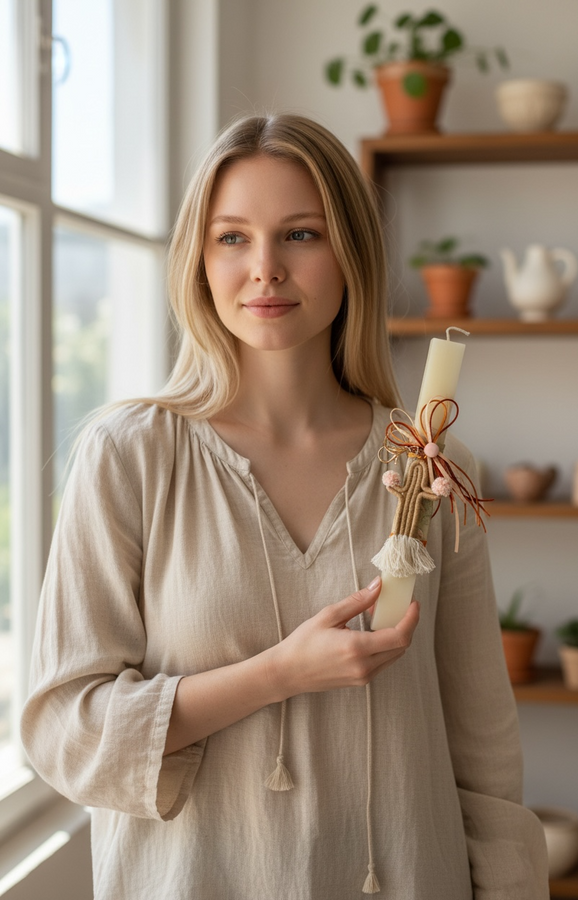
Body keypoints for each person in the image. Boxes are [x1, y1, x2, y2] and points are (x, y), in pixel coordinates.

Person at [21, 113, 548, 899]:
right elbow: (66, 733)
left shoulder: (433, 466)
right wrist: (276, 675)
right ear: (198, 261)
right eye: (232, 238)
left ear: (350, 255)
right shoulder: (128, 455)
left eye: (300, 235)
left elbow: (484, 754)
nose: (264, 269)